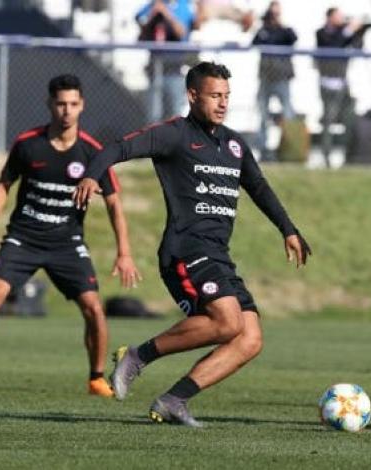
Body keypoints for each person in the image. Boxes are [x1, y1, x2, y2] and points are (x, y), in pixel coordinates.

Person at [73, 61, 312, 426]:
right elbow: (120, 147)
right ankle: (137, 356)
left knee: (250, 339)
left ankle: (174, 400)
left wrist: (288, 229)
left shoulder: (233, 144)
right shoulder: (174, 134)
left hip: (217, 254)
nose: (222, 103)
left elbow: (258, 186)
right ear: (192, 95)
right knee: (228, 322)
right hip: (185, 250)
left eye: (227, 96)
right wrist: (92, 175)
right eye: (215, 95)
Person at [0, 74, 141, 398]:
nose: (66, 111)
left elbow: (115, 204)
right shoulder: (28, 144)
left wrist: (124, 252)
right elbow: (3, 185)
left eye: (73, 104)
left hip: (67, 243)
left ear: (82, 106)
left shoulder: (93, 152)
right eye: (60, 104)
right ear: (50, 104)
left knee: (93, 308)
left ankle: (96, 378)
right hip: (24, 238)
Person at [315, 7, 369, 167]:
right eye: (338, 16)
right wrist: (349, 29)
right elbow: (334, 43)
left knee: (349, 119)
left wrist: (359, 31)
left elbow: (357, 46)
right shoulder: (322, 33)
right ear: (330, 17)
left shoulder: (343, 32)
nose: (342, 18)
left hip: (343, 84)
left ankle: (349, 155)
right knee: (329, 120)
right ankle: (326, 157)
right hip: (327, 85)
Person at [251, 1, 296, 161]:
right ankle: (263, 148)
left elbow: (292, 38)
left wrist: (278, 23)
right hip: (265, 78)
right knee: (262, 113)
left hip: (282, 78)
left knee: (288, 112)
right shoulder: (263, 31)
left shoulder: (285, 30)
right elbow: (255, 42)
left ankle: (290, 147)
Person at [136, 0, 195, 121]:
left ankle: (176, 140)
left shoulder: (183, 5)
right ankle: (155, 140)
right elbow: (142, 35)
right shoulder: (152, 5)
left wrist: (166, 13)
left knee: (175, 114)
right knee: (153, 116)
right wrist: (153, 15)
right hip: (155, 68)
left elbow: (181, 32)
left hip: (174, 69)